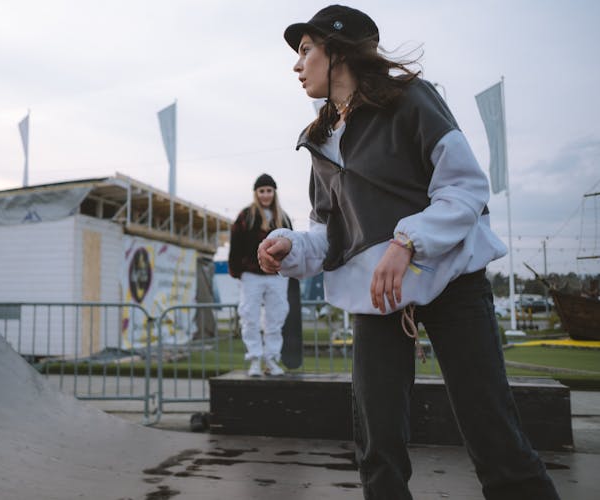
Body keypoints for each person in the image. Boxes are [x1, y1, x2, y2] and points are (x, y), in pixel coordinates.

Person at [257, 5, 560, 499]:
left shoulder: (413, 100)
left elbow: (464, 189)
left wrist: (407, 241)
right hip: (376, 300)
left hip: (453, 282)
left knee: (495, 437)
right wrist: (290, 246)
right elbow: (331, 239)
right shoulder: (319, 141)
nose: (297, 65)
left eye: (306, 50)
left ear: (339, 51)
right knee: (378, 450)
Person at [229, 173, 292, 377]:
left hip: (277, 275)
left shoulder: (283, 217)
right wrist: (236, 269)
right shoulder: (246, 216)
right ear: (256, 193)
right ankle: (254, 358)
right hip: (251, 274)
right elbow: (235, 243)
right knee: (249, 316)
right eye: (262, 191)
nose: (266, 195)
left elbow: (294, 245)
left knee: (276, 317)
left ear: (274, 192)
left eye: (269, 191)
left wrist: (291, 268)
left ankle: (272, 359)